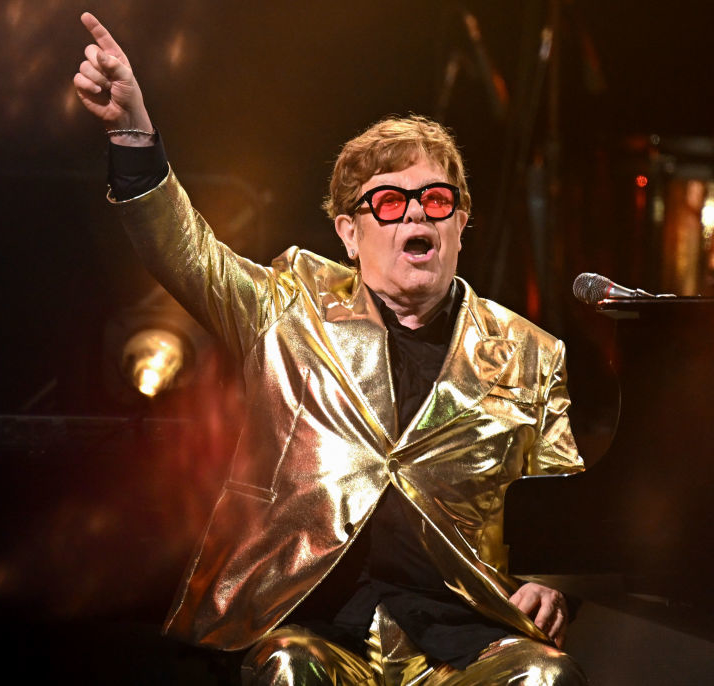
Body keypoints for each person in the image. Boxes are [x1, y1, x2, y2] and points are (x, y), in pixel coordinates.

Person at [74, 12, 587, 685]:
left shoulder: (530, 353)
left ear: (462, 221)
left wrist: (553, 580)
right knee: (291, 670)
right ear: (348, 232)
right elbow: (187, 255)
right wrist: (132, 132)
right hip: (316, 625)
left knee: (545, 678)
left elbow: (567, 506)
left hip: (466, 639)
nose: (416, 214)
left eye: (436, 199)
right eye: (390, 201)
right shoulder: (288, 304)